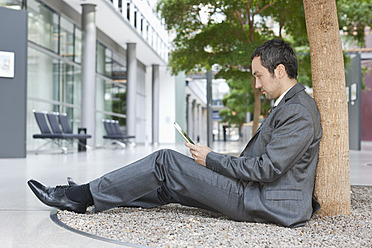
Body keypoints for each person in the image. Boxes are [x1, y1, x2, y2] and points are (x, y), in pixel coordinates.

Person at [28, 39, 322, 228]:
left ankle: (80, 196)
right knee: (171, 185)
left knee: (165, 162)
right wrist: (212, 161)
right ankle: (92, 195)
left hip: (265, 202)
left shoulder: (298, 110)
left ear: (280, 71)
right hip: (258, 193)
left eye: (259, 75)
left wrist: (212, 159)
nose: (257, 85)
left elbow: (268, 169)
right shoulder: (291, 106)